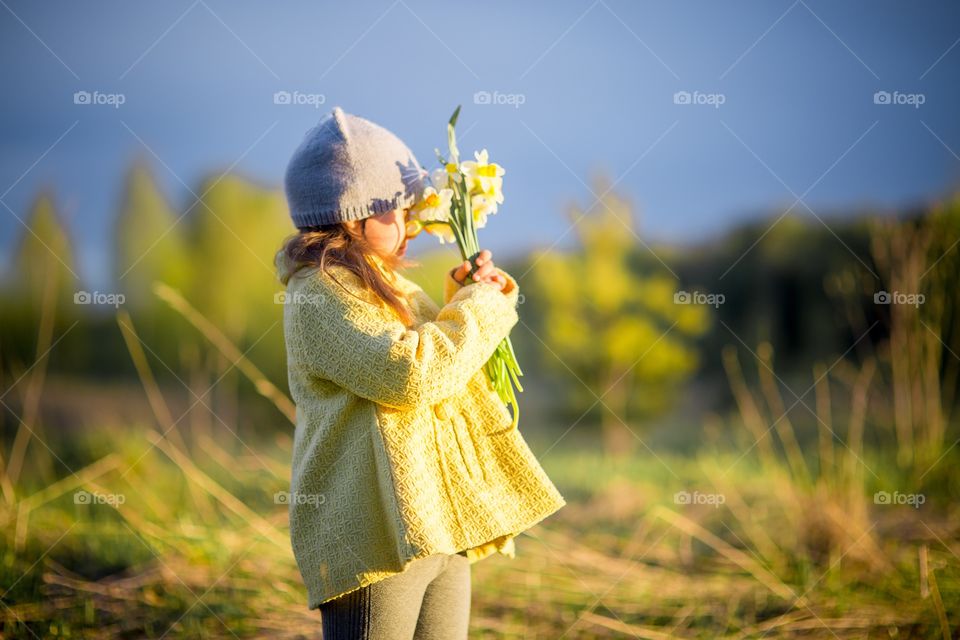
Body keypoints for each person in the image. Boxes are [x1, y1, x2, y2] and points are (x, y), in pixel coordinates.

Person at [276, 106, 566, 639]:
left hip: (435, 521)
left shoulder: (387, 284)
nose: (410, 224)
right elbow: (410, 375)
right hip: (373, 537)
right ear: (351, 216)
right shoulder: (320, 291)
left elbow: (445, 367)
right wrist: (479, 306)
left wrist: (464, 295)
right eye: (394, 210)